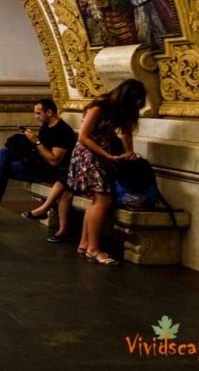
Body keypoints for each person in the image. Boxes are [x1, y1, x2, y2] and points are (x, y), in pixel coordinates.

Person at [68, 79, 147, 266]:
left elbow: (126, 132)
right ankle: (94, 250)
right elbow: (83, 137)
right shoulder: (99, 107)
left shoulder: (118, 110)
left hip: (101, 155)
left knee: (96, 201)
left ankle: (84, 244)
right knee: (104, 201)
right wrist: (107, 155)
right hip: (88, 155)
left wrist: (129, 152)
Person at [0, 98, 77, 225]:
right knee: (2, 152)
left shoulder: (62, 131)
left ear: (49, 112)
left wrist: (37, 141)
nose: (36, 117)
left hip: (48, 172)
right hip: (37, 164)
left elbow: (54, 161)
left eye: (38, 113)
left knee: (1, 171)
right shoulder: (47, 127)